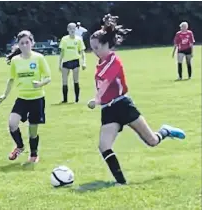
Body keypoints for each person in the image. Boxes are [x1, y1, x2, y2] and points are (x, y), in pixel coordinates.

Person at [88, 14, 186, 185]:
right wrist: (100, 102)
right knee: (104, 145)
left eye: (96, 47)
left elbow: (105, 83)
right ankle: (121, 182)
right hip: (108, 110)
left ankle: (165, 131)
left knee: (152, 141)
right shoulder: (100, 63)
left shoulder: (114, 60)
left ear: (106, 45)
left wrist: (96, 99)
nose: (94, 51)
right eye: (92, 48)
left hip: (123, 106)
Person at [0, 30, 51, 163]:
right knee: (12, 123)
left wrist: (40, 84)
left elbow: (48, 77)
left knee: (33, 131)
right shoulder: (15, 61)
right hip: (22, 99)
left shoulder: (39, 58)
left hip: (37, 99)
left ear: (32, 43)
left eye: (27, 42)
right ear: (18, 45)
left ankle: (33, 154)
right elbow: (11, 79)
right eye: (22, 43)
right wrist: (4, 95)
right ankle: (19, 146)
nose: (25, 45)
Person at [59, 22, 86, 103]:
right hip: (66, 62)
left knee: (76, 80)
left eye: (73, 29)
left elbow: (82, 52)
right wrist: (59, 63)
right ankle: (65, 99)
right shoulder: (64, 39)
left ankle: (77, 99)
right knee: (64, 81)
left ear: (75, 29)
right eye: (70, 29)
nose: (72, 30)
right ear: (68, 29)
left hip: (75, 61)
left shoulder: (78, 39)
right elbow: (62, 52)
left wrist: (84, 62)